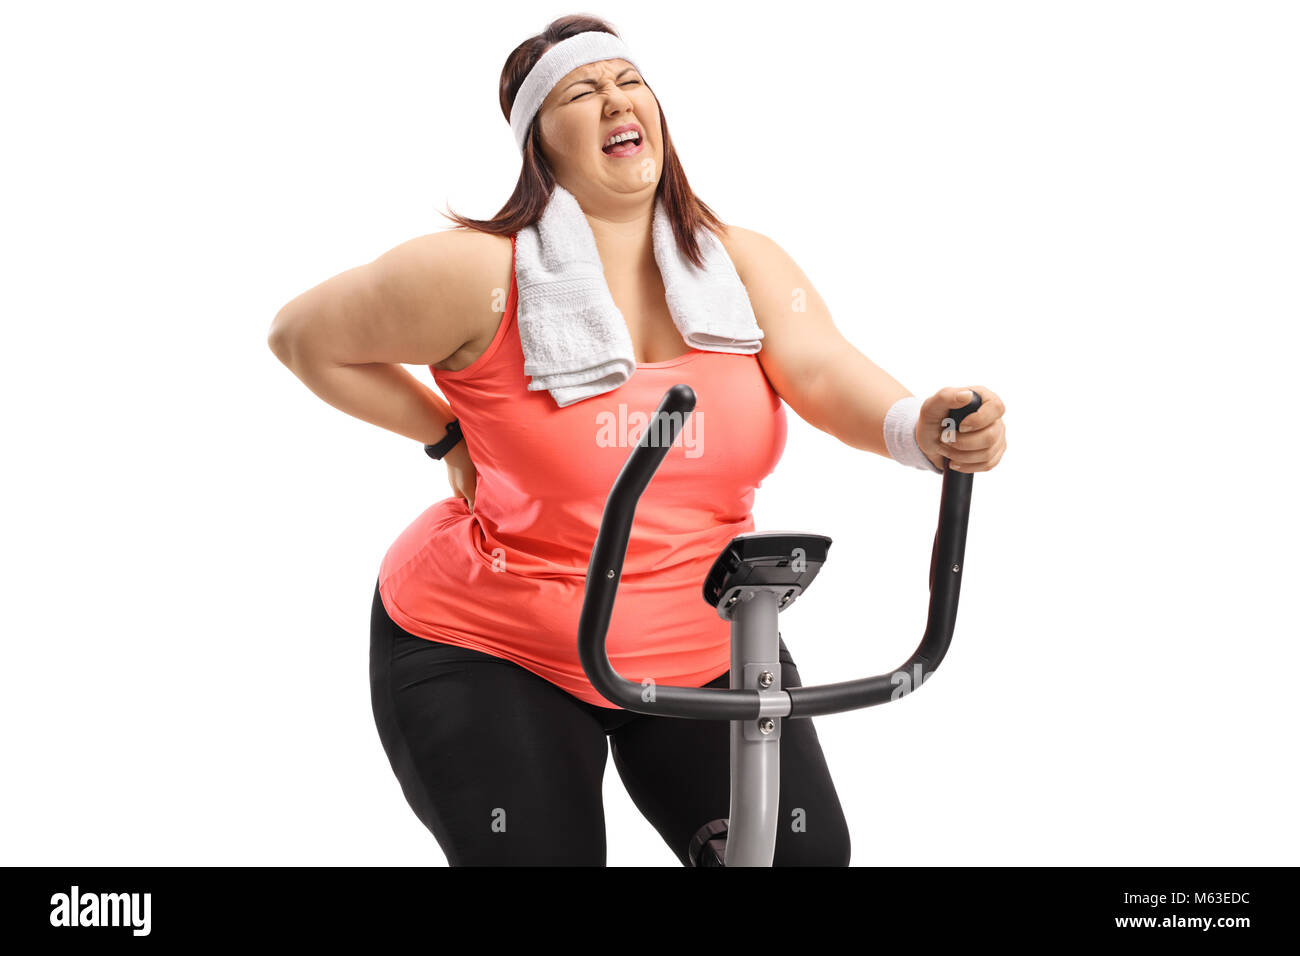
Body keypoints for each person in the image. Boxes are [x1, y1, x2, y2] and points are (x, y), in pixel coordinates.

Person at [268, 14, 1008, 867]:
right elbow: (302, 337)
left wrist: (916, 428)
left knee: (800, 859)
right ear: (540, 143)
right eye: (583, 91)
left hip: (697, 641)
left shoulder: (742, 264)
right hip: (497, 642)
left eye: (629, 80)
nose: (617, 97)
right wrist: (443, 432)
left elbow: (822, 366)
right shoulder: (475, 274)